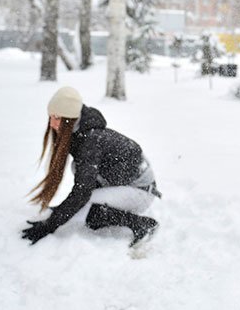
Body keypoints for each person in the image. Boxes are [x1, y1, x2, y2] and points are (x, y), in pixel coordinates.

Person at [21, 86, 161, 247]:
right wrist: (62, 211)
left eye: (57, 118)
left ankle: (143, 224)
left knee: (90, 211)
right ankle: (110, 207)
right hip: (124, 184)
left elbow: (82, 192)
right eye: (51, 117)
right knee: (78, 181)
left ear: (70, 119)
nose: (52, 123)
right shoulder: (81, 133)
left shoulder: (91, 141)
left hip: (141, 192)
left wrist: (50, 225)